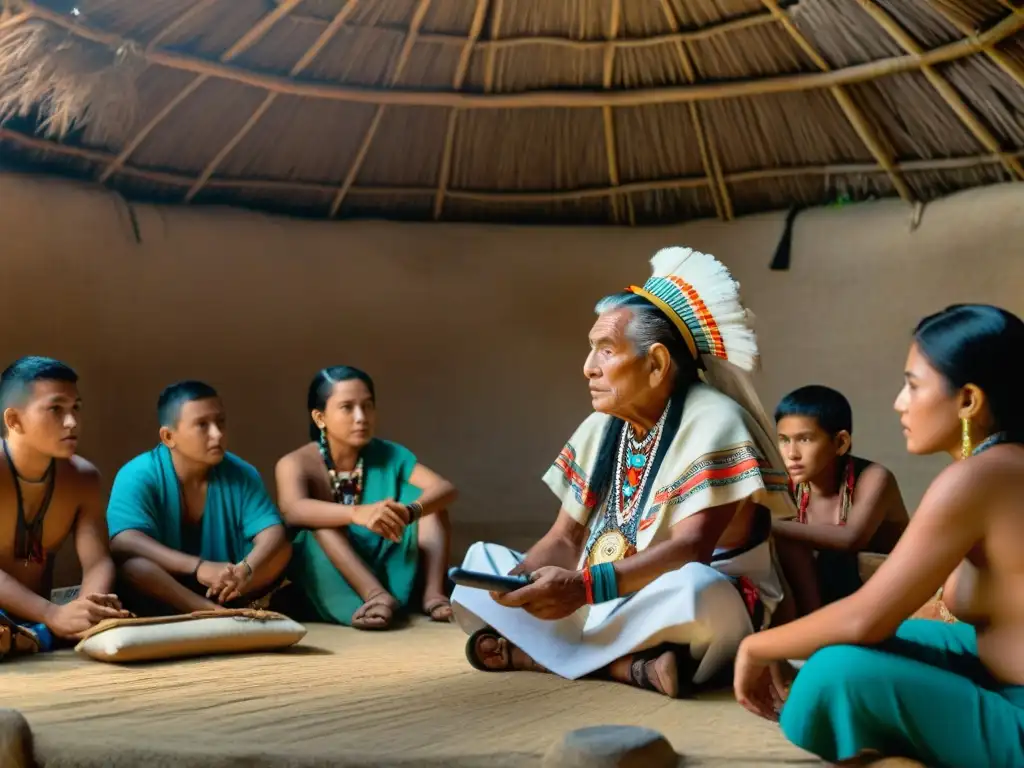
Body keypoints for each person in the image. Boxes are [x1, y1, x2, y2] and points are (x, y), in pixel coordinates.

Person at [450, 247, 796, 698]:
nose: (587, 367)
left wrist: (582, 589)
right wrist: (522, 585)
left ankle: (536, 655)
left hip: (690, 597)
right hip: (604, 594)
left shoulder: (716, 420)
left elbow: (691, 549)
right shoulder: (602, 424)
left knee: (697, 590)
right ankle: (631, 666)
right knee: (482, 566)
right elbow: (566, 540)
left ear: (655, 364)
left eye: (605, 350)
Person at [734, 304, 1024, 767]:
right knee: (843, 644)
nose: (899, 402)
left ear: (968, 400)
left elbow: (867, 617)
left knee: (832, 671)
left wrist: (755, 645)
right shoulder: (1002, 466)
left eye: (912, 385)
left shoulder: (977, 479)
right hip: (994, 668)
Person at [275, 366, 457, 630]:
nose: (361, 417)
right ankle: (375, 596)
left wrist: (408, 512)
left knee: (427, 502)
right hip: (334, 563)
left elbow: (445, 488)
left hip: (386, 547)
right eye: (347, 407)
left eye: (368, 406)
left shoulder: (390, 454)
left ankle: (433, 593)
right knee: (320, 524)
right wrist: (356, 513)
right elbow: (293, 510)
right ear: (320, 418)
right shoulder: (296, 463)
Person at [107, 381, 291, 615]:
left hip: (227, 584)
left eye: (220, 422)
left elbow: (272, 531)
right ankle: (209, 612)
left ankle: (229, 604)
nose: (217, 434)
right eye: (202, 425)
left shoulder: (242, 473)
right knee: (135, 567)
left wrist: (246, 568)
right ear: (168, 436)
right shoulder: (137, 474)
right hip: (166, 584)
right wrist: (198, 567)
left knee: (282, 551)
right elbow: (124, 540)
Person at [0, 356, 129, 657]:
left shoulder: (83, 478)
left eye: (76, 408)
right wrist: (52, 614)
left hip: (37, 619)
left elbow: (98, 561)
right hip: (37, 616)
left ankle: (30, 636)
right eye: (56, 409)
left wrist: (89, 609)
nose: (71, 422)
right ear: (14, 420)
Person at [772, 385, 908, 614]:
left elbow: (850, 539)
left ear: (840, 443)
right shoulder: (788, 484)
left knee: (786, 534)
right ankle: (810, 631)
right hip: (823, 602)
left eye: (804, 440)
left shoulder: (874, 478)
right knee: (786, 544)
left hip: (888, 597)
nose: (791, 453)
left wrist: (765, 524)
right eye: (784, 440)